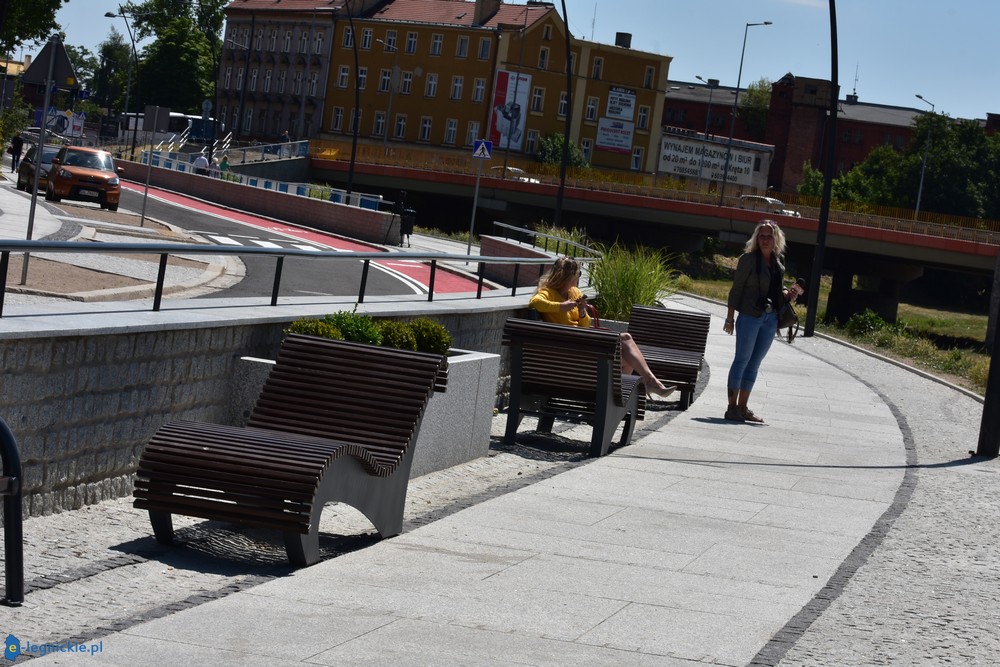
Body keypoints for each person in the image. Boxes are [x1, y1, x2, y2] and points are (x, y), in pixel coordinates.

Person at [529, 257, 673, 397]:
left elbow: (586, 325)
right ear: (567, 276)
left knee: (628, 357)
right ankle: (648, 383)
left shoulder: (574, 293)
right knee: (625, 338)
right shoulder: (548, 293)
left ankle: (623, 392)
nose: (578, 278)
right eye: (577, 274)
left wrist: (582, 312)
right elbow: (535, 302)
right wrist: (561, 307)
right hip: (568, 349)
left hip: (581, 342)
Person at [722, 219, 800, 423]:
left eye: (769, 236)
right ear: (757, 238)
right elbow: (736, 289)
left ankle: (743, 407)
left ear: (776, 239)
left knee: (754, 364)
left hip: (770, 318)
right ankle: (731, 408)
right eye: (762, 236)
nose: (765, 240)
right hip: (749, 316)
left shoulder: (778, 262)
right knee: (741, 361)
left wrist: (787, 293)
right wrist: (730, 318)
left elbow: (776, 289)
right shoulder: (748, 259)